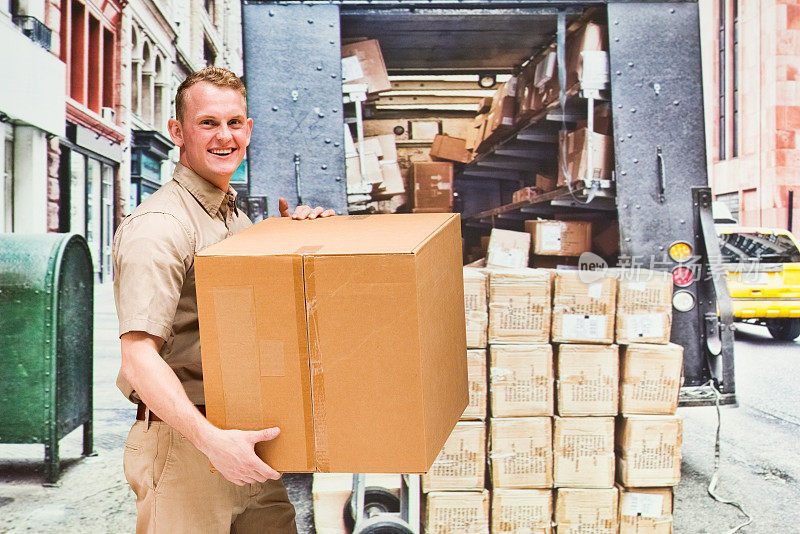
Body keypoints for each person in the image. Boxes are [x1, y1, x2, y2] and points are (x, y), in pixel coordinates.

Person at [113, 66, 333, 533]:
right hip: (189, 446)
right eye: (208, 123)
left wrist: (305, 237)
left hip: (246, 441)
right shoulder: (160, 226)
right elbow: (137, 356)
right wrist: (211, 441)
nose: (224, 136)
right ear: (177, 131)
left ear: (249, 129)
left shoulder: (234, 220)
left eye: (234, 123)